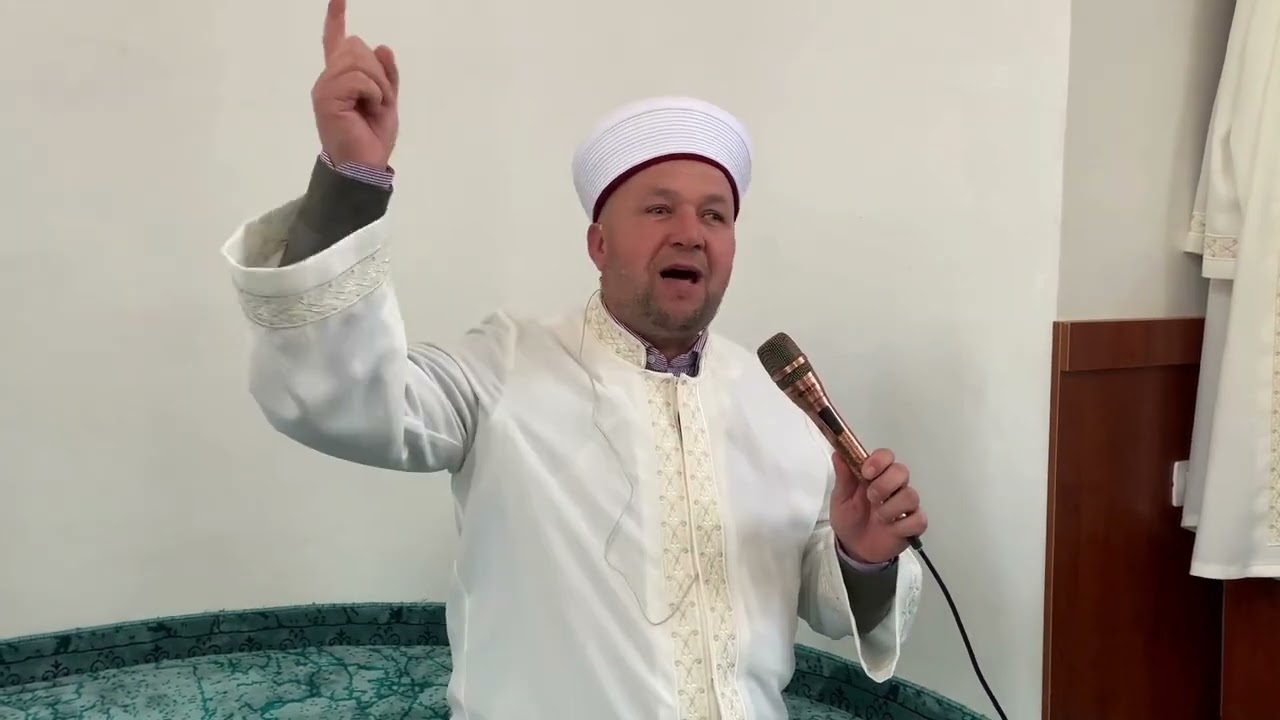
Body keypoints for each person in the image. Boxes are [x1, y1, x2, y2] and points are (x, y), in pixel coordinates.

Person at [220, 1, 927, 717]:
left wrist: (861, 555)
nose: (691, 232)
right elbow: (339, 398)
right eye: (659, 209)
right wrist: (350, 183)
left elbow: (820, 595)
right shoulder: (503, 368)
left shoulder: (777, 404)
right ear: (599, 244)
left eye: (714, 214)